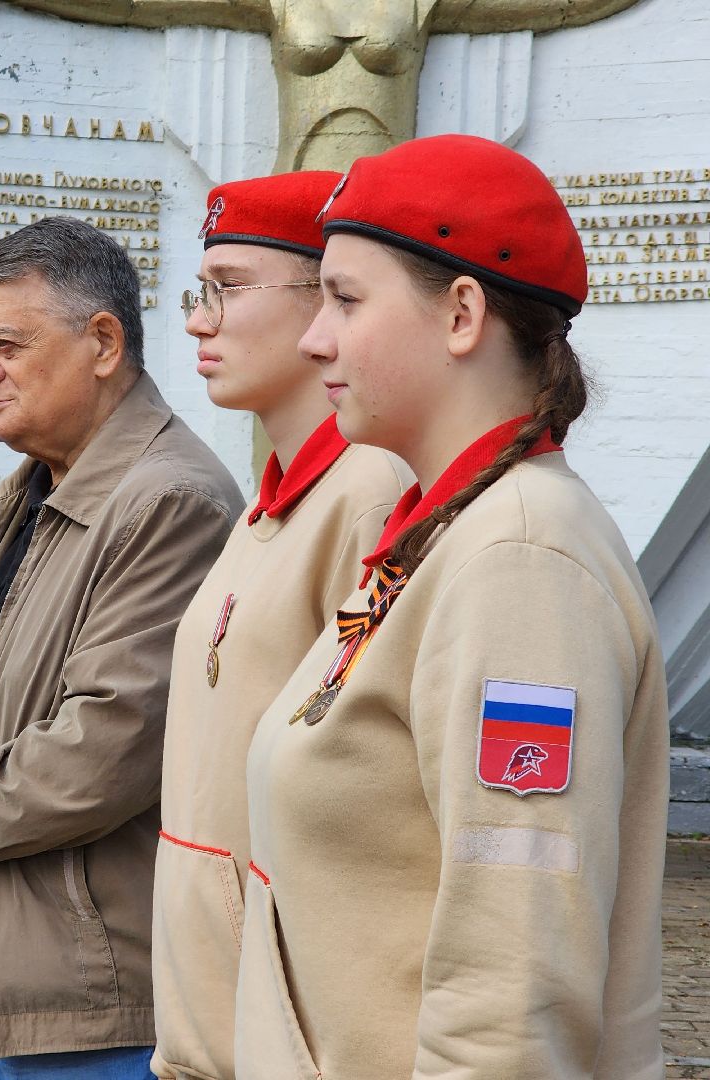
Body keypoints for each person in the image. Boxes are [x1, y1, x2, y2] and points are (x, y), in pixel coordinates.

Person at [235, 134, 668, 1079]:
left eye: (345, 299)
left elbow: (512, 982)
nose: (316, 338)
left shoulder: (519, 560)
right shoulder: (447, 534)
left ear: (462, 313)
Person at [0, 215, 243, 1076]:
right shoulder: (29, 489)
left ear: (103, 342)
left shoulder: (170, 500)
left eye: (7, 344)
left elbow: (103, 749)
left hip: (92, 1007)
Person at [151, 171, 407, 1080]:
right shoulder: (268, 511)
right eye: (199, 290)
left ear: (325, 302)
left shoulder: (370, 498)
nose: (197, 320)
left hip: (282, 1038)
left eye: (227, 287)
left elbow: (360, 793)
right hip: (212, 1024)